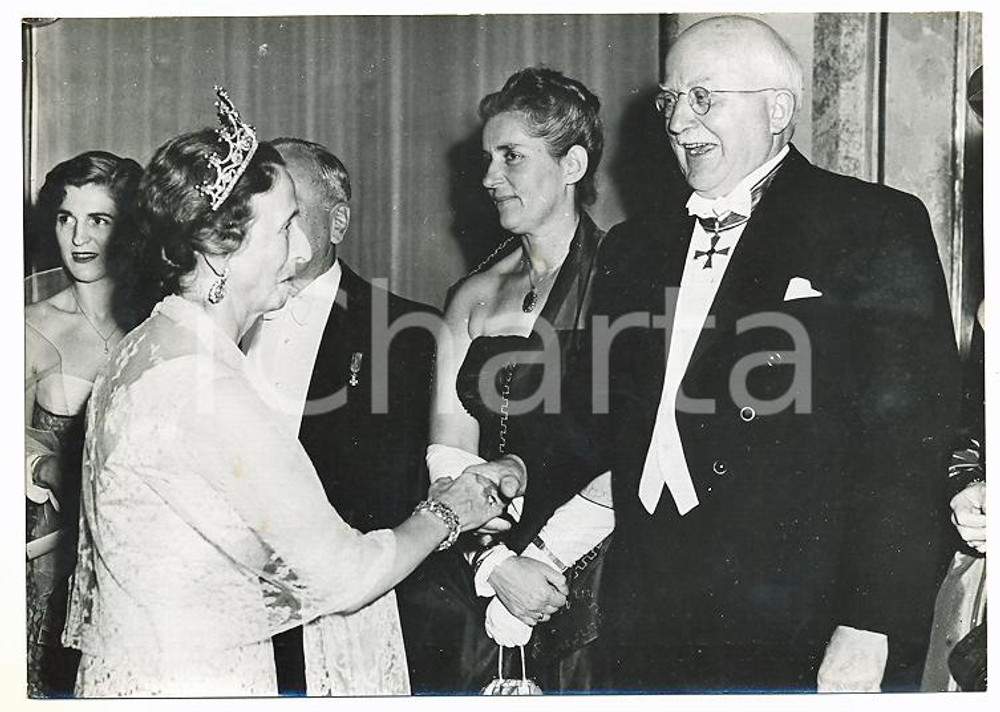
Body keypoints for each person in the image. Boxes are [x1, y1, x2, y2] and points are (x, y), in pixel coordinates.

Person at [469, 16, 960, 692]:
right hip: (648, 616)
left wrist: (871, 625)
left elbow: (909, 447)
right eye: (671, 101)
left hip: (808, 624)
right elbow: (592, 421)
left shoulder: (873, 226)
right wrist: (517, 467)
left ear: (778, 109)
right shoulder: (633, 248)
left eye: (704, 97)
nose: (678, 122)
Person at [61, 88, 507, 697]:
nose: (300, 251)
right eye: (286, 226)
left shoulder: (145, 345)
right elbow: (346, 575)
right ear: (223, 249)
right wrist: (453, 510)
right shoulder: (209, 386)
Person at [401, 66, 612, 693]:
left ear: (572, 164)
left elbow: (638, 451)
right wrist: (492, 564)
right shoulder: (471, 296)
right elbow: (448, 455)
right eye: (488, 159)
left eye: (512, 157)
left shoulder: (627, 281)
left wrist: (543, 559)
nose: (490, 178)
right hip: (476, 567)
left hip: (593, 571)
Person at [242, 138, 439, 695]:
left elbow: (398, 495)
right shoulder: (218, 320)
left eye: (290, 213)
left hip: (344, 625)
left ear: (338, 221)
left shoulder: (409, 336)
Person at [24, 150, 143, 697]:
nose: (78, 237)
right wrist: (41, 462)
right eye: (65, 217)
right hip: (56, 554)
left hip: (139, 551)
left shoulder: (158, 320)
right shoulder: (32, 325)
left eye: (99, 219)